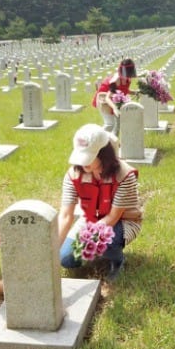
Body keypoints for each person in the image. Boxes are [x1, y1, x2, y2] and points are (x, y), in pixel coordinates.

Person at [58, 123, 142, 282]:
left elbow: (113, 217)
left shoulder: (124, 175)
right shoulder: (73, 175)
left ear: (103, 153)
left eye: (89, 156)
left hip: (122, 221)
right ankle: (99, 251)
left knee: (107, 240)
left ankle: (117, 260)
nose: (83, 164)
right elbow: (65, 215)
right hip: (90, 219)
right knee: (66, 259)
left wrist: (88, 237)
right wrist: (53, 248)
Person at [92, 58, 137, 136]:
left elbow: (124, 90)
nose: (129, 76)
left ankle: (112, 142)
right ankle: (96, 138)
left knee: (117, 124)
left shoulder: (127, 78)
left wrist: (135, 92)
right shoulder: (116, 80)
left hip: (115, 100)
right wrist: (115, 108)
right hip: (104, 101)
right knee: (110, 124)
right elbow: (107, 97)